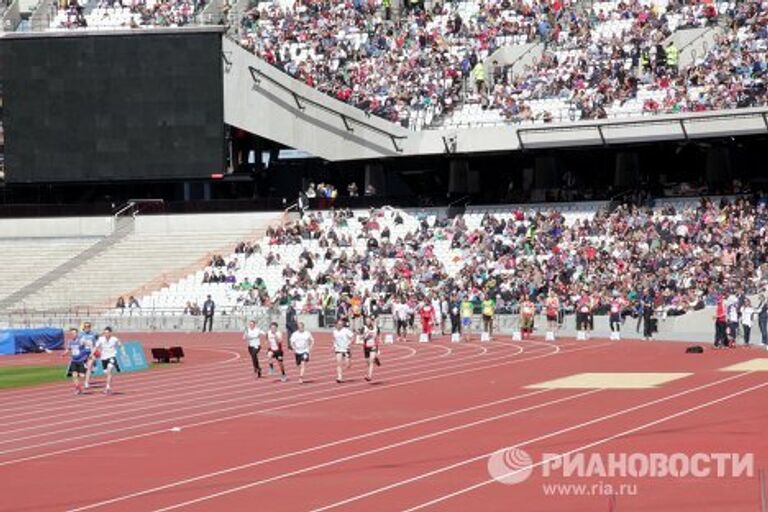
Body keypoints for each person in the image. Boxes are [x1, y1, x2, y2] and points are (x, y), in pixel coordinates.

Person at [94, 327, 123, 395]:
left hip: (111, 356)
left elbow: (120, 344)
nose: (106, 334)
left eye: (107, 333)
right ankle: (108, 385)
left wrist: (123, 351)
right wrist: (92, 354)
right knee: (106, 373)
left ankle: (108, 387)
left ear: (110, 333)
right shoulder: (101, 339)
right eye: (105, 333)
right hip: (103, 358)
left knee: (109, 370)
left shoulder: (114, 339)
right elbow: (96, 347)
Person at [63, 328, 89, 395]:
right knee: (74, 375)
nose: (73, 334)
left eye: (74, 333)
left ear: (77, 334)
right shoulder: (70, 341)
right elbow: (68, 350)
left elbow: (87, 345)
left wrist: (86, 346)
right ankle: (78, 388)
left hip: (81, 360)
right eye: (72, 333)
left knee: (82, 375)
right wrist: (64, 354)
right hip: (74, 360)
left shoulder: (80, 340)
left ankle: (79, 386)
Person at [78, 322, 98, 389]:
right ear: (84, 327)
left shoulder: (93, 334)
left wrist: (93, 353)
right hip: (83, 353)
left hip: (90, 352)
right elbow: (79, 344)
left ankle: (86, 382)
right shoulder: (81, 334)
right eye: (86, 326)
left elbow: (95, 345)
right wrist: (82, 343)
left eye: (88, 326)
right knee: (82, 373)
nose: (87, 328)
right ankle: (85, 367)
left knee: (89, 367)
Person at [362, 317, 381, 382]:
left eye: (369, 321)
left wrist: (379, 340)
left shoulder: (376, 328)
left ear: (371, 321)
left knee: (371, 361)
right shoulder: (364, 328)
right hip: (366, 346)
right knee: (367, 362)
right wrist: (366, 335)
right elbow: (361, 337)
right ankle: (376, 359)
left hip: (373, 345)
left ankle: (369, 376)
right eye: (366, 321)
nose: (367, 322)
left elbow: (378, 335)